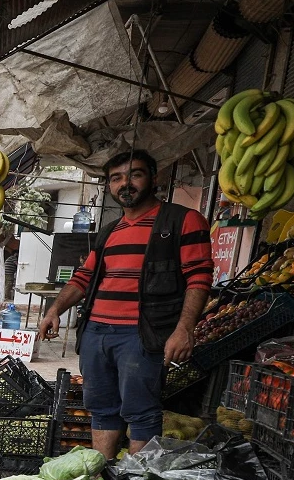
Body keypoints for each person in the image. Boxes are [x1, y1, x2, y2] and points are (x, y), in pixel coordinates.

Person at [35, 149, 213, 457]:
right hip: (96, 333)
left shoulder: (183, 221)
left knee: (141, 411)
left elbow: (199, 277)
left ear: (153, 179)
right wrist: (54, 310)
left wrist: (184, 328)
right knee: (101, 408)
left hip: (141, 335)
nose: (125, 184)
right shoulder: (109, 232)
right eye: (116, 178)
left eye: (135, 174)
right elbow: (84, 278)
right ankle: (101, 476)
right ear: (108, 185)